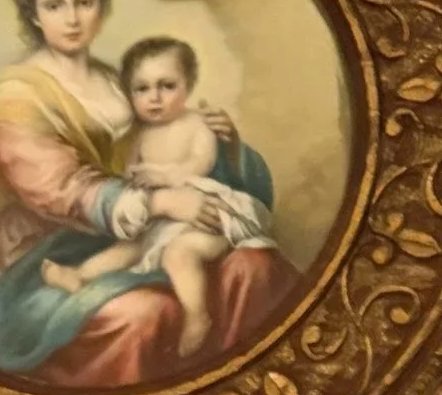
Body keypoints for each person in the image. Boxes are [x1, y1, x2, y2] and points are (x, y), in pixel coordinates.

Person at [0, 0, 296, 388]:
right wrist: (159, 202)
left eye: (84, 2)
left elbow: (176, 150)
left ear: (102, 7)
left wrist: (224, 144)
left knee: (254, 266)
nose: (73, 18)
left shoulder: (124, 82)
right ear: (34, 15)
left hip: (143, 233)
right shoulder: (15, 99)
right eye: (55, 5)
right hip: (42, 252)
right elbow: (60, 188)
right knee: (143, 315)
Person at [43, 36, 273, 361]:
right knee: (128, 247)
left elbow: (201, 164)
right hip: (163, 218)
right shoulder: (138, 136)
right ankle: (78, 275)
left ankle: (197, 316)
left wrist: (165, 176)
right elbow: (126, 176)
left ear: (188, 85)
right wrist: (134, 186)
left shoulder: (197, 123)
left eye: (167, 86)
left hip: (205, 217)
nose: (155, 97)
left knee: (179, 254)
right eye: (142, 89)